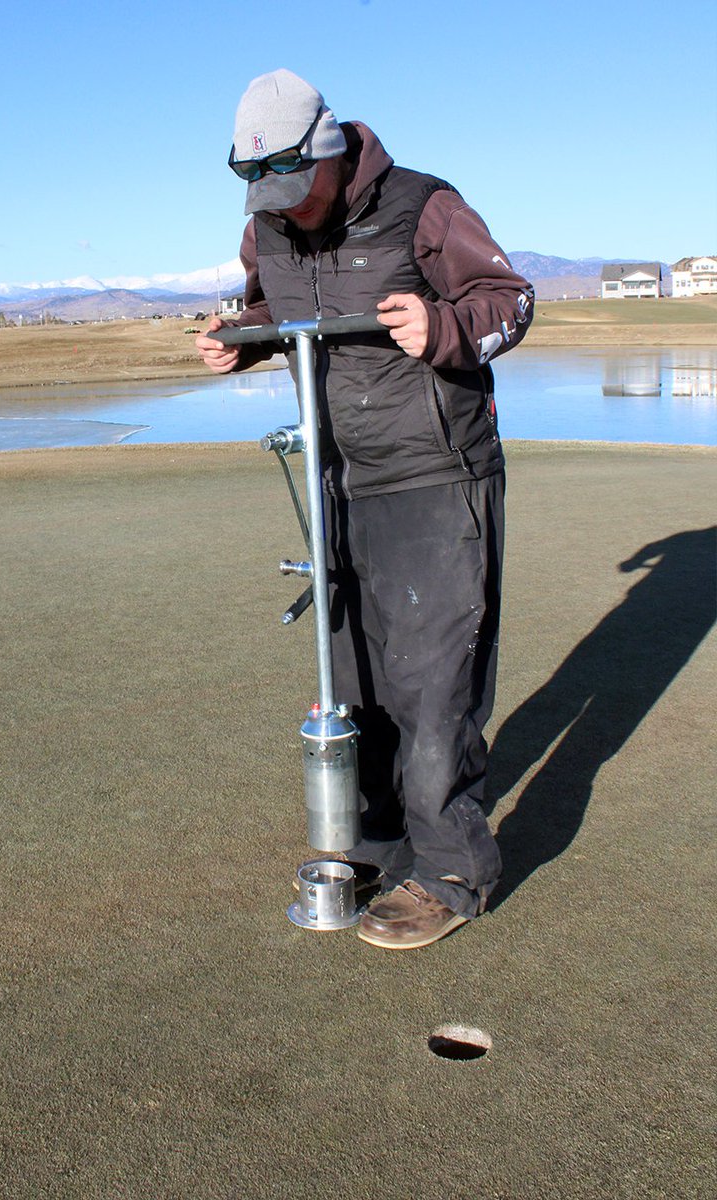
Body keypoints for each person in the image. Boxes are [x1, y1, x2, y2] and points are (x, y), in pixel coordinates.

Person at [196, 69, 534, 950]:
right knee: (359, 680)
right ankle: (383, 843)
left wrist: (443, 328)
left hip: (436, 471)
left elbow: (511, 300)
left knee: (432, 682)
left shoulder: (423, 205)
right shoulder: (267, 223)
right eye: (262, 191)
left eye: (292, 184)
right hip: (336, 477)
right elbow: (271, 308)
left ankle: (453, 871)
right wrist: (237, 341)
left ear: (331, 150)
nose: (283, 207)